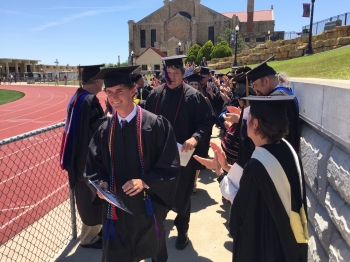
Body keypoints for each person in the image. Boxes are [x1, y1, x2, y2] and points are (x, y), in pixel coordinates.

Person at [84, 66, 180, 262]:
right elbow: (94, 167)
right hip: (115, 214)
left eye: (119, 91)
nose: (114, 97)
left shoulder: (156, 125)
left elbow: (170, 165)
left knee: (153, 249)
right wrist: (100, 184)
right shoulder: (104, 130)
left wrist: (145, 182)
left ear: (133, 91)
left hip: (145, 208)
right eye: (109, 92)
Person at [212, 95, 308, 261]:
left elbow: (241, 212)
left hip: (266, 247)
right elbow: (262, 186)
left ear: (255, 124)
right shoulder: (287, 150)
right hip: (291, 241)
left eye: (248, 118)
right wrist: (227, 166)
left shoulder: (257, 166)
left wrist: (220, 174)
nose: (245, 122)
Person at [145, 55, 212, 250]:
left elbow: (205, 122)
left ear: (183, 74)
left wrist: (195, 138)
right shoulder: (154, 95)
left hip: (183, 157)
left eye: (176, 73)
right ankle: (157, 232)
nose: (171, 76)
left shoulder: (194, 96)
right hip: (158, 158)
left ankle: (182, 230)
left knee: (182, 196)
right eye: (168, 73)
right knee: (156, 194)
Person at [59, 64, 106, 249]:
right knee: (89, 198)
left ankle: (94, 232)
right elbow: (98, 129)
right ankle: (88, 238)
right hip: (86, 160)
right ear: (96, 81)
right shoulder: (90, 101)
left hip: (77, 158)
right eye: (101, 80)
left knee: (87, 197)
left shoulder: (76, 98)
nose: (102, 83)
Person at [184, 73, 216, 194]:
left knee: (196, 161)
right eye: (191, 83)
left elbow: (210, 117)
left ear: (199, 86)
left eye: (196, 84)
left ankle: (194, 183)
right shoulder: (184, 98)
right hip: (185, 134)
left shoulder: (204, 99)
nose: (193, 86)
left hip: (197, 135)